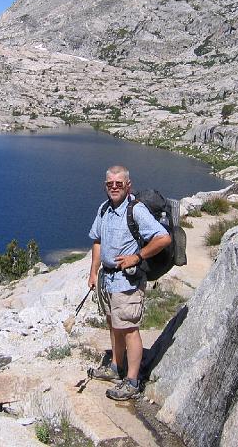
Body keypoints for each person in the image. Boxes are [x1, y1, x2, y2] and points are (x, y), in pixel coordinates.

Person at [87, 164, 171, 400]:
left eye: (119, 183)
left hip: (128, 280)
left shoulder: (136, 210)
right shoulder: (104, 209)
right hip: (107, 279)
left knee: (130, 329)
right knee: (114, 323)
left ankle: (132, 381)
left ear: (128, 185)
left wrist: (138, 256)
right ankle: (115, 367)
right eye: (110, 184)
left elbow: (163, 238)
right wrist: (93, 272)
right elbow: (97, 241)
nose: (114, 187)